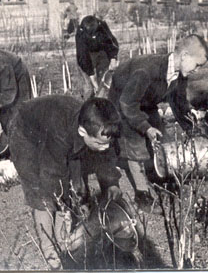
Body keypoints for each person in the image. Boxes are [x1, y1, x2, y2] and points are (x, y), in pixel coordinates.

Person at [7, 95, 123, 269]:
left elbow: (106, 155)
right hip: (26, 134)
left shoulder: (97, 127)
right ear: (83, 132)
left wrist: (111, 183)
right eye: (100, 143)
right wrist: (65, 206)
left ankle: (63, 240)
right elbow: (53, 177)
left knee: (73, 183)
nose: (105, 147)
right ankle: (49, 248)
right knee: (41, 194)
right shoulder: (61, 133)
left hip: (55, 133)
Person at [108, 34, 208, 211]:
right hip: (123, 101)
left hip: (145, 101)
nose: (197, 70)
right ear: (185, 56)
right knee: (136, 144)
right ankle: (142, 195)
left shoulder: (180, 73)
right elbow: (128, 103)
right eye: (198, 65)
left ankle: (161, 178)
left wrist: (190, 128)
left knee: (160, 135)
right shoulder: (147, 70)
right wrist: (145, 127)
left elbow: (178, 103)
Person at [76, 15, 119, 99]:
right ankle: (86, 106)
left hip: (102, 51)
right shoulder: (80, 33)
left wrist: (113, 58)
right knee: (89, 87)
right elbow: (83, 56)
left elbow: (111, 43)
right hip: (87, 54)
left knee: (105, 81)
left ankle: (104, 102)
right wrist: (92, 77)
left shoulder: (102, 26)